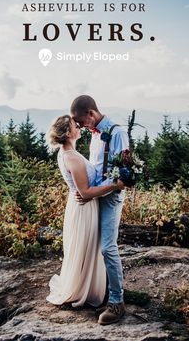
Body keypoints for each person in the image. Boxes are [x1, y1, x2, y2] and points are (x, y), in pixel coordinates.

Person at [46, 115, 125, 309]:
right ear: (68, 133)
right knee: (87, 247)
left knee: (85, 247)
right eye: (75, 125)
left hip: (81, 206)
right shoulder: (71, 157)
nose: (79, 126)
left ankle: (87, 285)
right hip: (84, 208)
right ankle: (85, 290)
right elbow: (86, 192)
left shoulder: (67, 153)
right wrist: (116, 185)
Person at [71, 95, 129, 325]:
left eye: (80, 121)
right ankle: (98, 290)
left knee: (107, 247)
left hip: (111, 198)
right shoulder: (95, 135)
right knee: (92, 245)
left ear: (91, 114)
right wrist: (85, 191)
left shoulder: (117, 133)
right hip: (94, 197)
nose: (79, 126)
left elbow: (123, 177)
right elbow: (96, 169)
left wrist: (92, 192)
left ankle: (117, 302)